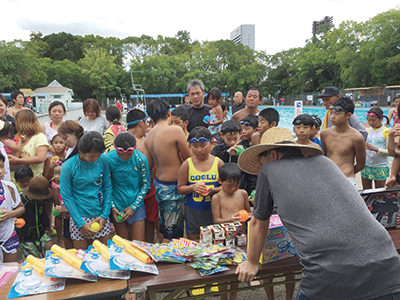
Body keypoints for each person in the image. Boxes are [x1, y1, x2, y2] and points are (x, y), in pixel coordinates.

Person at [236, 127, 400, 300]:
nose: (261, 167)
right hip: (388, 265)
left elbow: (259, 223)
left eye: (261, 162)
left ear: (273, 156)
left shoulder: (269, 170)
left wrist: (252, 262)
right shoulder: (326, 162)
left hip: (330, 272)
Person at [144, 99, 191, 242]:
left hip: (159, 184)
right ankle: (167, 260)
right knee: (173, 233)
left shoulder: (149, 136)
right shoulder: (175, 130)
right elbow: (188, 159)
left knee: (165, 226)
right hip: (174, 185)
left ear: (151, 117)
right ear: (169, 112)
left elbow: (150, 164)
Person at [60, 131, 112, 249]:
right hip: (79, 217)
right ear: (80, 151)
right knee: (83, 259)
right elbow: (67, 196)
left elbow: (107, 187)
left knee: (105, 257)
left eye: (99, 155)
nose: (96, 159)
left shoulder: (102, 160)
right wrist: (80, 223)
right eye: (92, 156)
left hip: (100, 216)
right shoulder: (68, 166)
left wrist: (105, 215)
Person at [177, 127, 223, 240]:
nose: (199, 150)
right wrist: (193, 187)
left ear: (212, 144)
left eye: (203, 146)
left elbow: (227, 187)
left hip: (214, 212)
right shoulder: (187, 164)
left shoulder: (218, 163)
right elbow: (180, 188)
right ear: (189, 146)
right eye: (195, 146)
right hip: (193, 211)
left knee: (215, 242)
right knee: (194, 242)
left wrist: (214, 190)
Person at [107, 132, 150, 241]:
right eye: (121, 154)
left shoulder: (140, 159)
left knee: (138, 244)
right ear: (114, 148)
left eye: (129, 154)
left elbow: (145, 185)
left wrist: (134, 207)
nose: (125, 157)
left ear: (134, 149)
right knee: (123, 245)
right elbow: (107, 185)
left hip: (136, 204)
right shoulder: (108, 159)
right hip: (117, 206)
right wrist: (112, 206)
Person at [126, 109, 159, 243]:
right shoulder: (141, 143)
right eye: (147, 122)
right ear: (141, 123)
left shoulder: (122, 140)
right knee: (149, 222)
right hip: (144, 189)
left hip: (128, 191)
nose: (148, 125)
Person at [321, 97, 366, 189]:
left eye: (337, 114)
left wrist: (348, 173)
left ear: (348, 115)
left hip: (347, 179)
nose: (332, 117)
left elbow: (361, 164)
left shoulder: (356, 137)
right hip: (329, 177)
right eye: (331, 113)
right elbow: (325, 156)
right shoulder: (325, 134)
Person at [17, 176, 54, 260]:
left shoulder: (40, 201)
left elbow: (44, 215)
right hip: (27, 237)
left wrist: (46, 228)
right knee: (34, 260)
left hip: (41, 233)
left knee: (52, 249)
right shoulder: (22, 203)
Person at [8, 110, 49, 177]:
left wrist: (18, 160)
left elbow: (41, 158)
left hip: (32, 179)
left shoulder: (40, 137)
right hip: (16, 179)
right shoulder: (20, 137)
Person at [0, 153, 24, 262]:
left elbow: (21, 208)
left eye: (1, 166)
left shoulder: (9, 187)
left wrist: (11, 214)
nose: (0, 171)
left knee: (10, 271)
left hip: (8, 236)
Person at [359, 108, 390, 189]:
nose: (371, 123)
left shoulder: (386, 132)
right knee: (366, 192)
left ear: (381, 119)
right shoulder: (366, 131)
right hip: (366, 166)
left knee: (378, 193)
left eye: (373, 120)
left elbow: (390, 152)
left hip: (380, 167)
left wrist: (375, 149)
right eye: (369, 120)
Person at [51, 160, 73, 249]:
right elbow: (56, 203)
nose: (56, 177)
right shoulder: (54, 186)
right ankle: (60, 239)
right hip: (60, 209)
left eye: (60, 174)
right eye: (55, 173)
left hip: (71, 212)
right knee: (58, 216)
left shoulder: (71, 185)